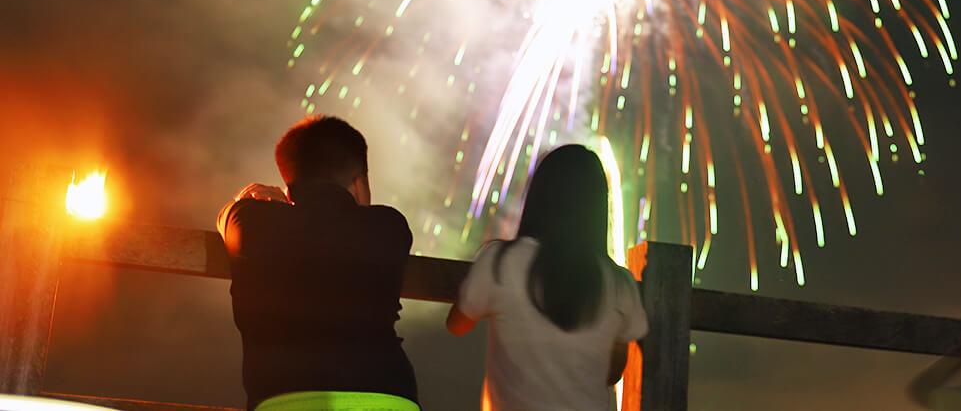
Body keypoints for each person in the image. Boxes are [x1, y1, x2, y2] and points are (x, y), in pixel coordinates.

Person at [216, 116, 419, 411]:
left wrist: (253, 201)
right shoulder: (391, 226)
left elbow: (230, 215)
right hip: (387, 397)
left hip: (285, 400)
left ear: (289, 189)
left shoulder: (251, 222)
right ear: (359, 183)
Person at [446, 144, 648, 411]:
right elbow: (613, 372)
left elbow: (457, 324)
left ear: (538, 197)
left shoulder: (500, 262)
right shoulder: (619, 283)